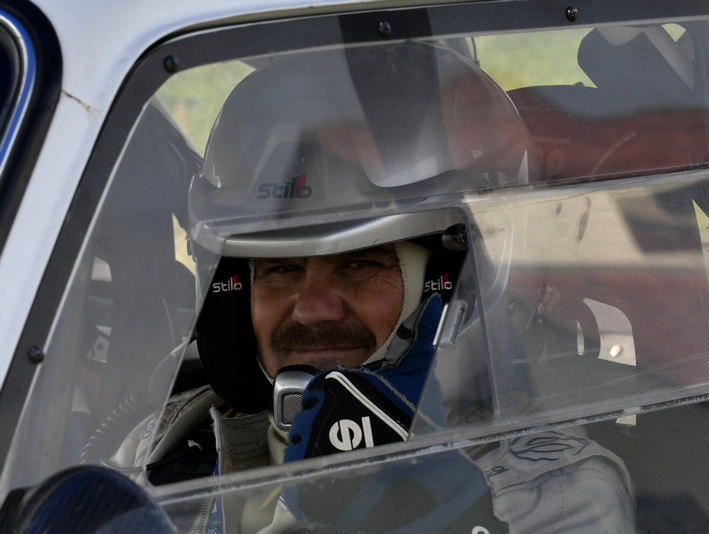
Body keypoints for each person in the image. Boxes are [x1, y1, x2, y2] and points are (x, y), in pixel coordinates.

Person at [113, 40, 635, 533]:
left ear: (460, 290)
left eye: (361, 264)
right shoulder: (164, 445)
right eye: (282, 270)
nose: (313, 309)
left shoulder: (550, 495)